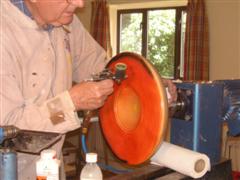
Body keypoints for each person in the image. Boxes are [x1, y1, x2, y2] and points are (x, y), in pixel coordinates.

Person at [0, 0, 177, 179]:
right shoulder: (5, 32)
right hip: (11, 169)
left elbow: (102, 68)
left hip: (51, 166)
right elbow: (9, 131)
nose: (80, 4)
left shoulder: (66, 22)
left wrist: (148, 82)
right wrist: (71, 103)